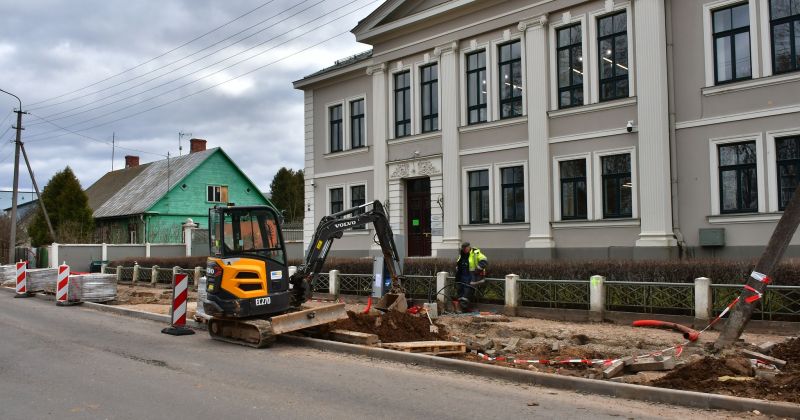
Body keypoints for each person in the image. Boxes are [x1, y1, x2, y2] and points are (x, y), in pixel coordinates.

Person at [454, 241, 487, 313]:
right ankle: (461, 308)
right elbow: (458, 263)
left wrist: (477, 270)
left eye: (465, 248)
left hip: (471, 276)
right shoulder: (462, 254)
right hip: (462, 275)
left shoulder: (476, 253)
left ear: (469, 247)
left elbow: (484, 261)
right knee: (460, 291)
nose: (464, 250)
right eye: (463, 248)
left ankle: (463, 308)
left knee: (467, 292)